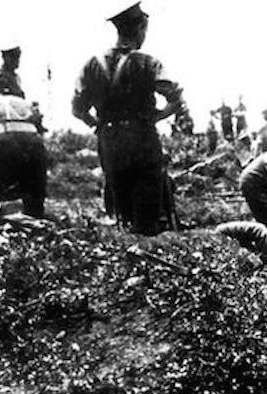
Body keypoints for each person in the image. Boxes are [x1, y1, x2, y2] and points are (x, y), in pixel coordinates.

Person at [72, 1, 184, 235]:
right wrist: (159, 116)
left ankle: (126, 247)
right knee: (147, 206)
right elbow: (176, 97)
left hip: (110, 140)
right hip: (142, 138)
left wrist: (99, 126)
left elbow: (78, 109)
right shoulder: (148, 62)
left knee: (120, 203)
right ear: (140, 28)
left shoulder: (92, 65)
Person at [0, 93, 47, 217]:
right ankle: (36, 222)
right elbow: (40, 126)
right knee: (35, 199)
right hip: (34, 143)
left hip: (3, 140)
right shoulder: (20, 102)